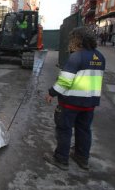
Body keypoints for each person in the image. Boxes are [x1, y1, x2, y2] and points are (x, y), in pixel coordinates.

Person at [44, 27, 105, 171]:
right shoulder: (100, 57)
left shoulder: (76, 57)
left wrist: (51, 93)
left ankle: (61, 159)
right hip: (89, 103)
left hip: (71, 103)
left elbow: (65, 82)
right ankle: (82, 158)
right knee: (84, 130)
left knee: (64, 130)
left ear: (77, 40)